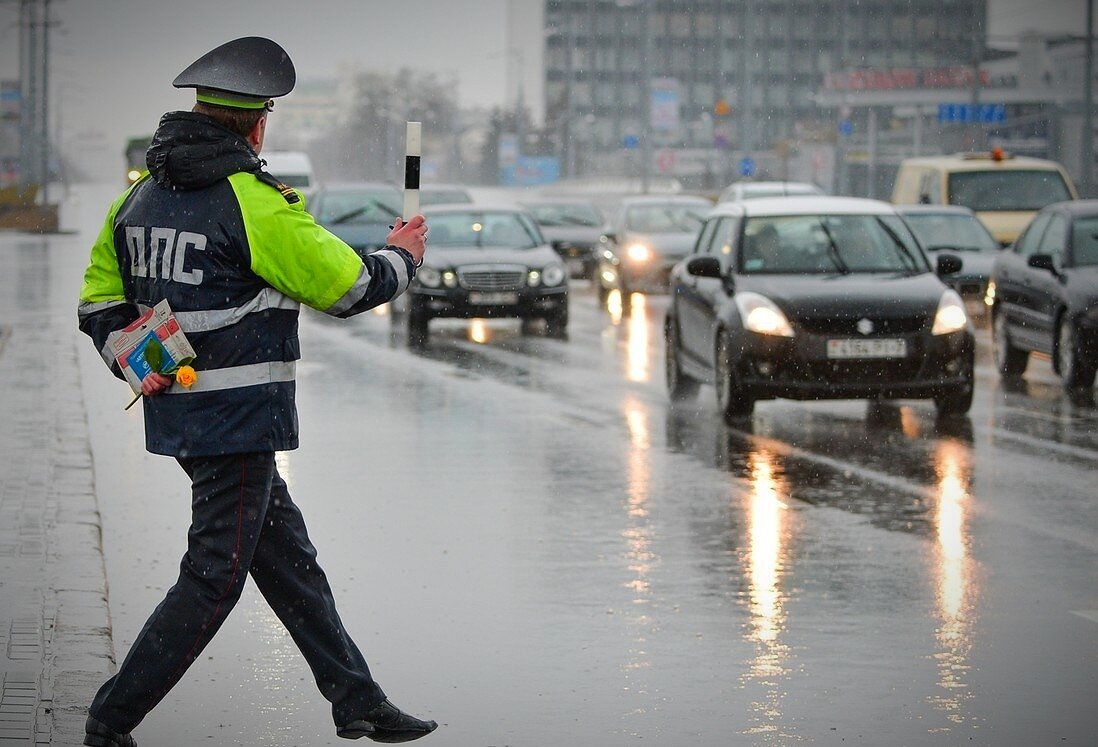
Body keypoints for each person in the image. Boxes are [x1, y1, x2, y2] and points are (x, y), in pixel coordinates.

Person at [77, 37, 437, 746]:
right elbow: (350, 285)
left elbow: (98, 302)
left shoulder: (136, 199)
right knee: (213, 578)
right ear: (256, 124)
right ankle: (110, 719)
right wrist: (405, 254)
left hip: (184, 415)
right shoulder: (253, 202)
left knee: (288, 562)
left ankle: (358, 700)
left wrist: (138, 357)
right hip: (238, 421)